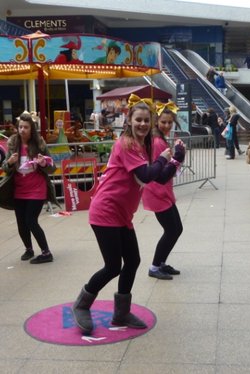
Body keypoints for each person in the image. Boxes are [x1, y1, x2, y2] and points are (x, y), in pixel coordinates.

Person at [71, 94, 185, 335]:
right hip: (106, 210)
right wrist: (166, 157)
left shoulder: (144, 147)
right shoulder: (126, 143)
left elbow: (160, 177)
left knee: (132, 261)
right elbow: (146, 175)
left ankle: (121, 313)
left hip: (122, 214)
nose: (142, 124)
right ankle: (82, 304)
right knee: (113, 266)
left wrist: (176, 161)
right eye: (138, 120)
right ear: (130, 120)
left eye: (146, 120)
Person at [1, 112, 58, 264]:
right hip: (19, 189)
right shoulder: (13, 144)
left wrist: (44, 164)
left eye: (26, 127)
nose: (22, 130)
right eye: (20, 127)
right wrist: (11, 162)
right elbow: (5, 168)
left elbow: (52, 167)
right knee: (21, 221)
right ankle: (28, 249)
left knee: (31, 220)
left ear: (31, 129)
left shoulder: (39, 144)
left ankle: (46, 252)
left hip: (37, 189)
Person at [143, 101, 185, 280]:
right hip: (157, 192)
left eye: (169, 122)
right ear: (156, 122)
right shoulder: (157, 142)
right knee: (172, 230)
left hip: (163, 192)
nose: (167, 125)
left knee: (176, 229)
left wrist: (177, 154)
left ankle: (160, 263)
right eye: (163, 122)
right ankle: (154, 267)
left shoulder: (160, 140)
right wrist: (178, 156)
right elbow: (162, 173)